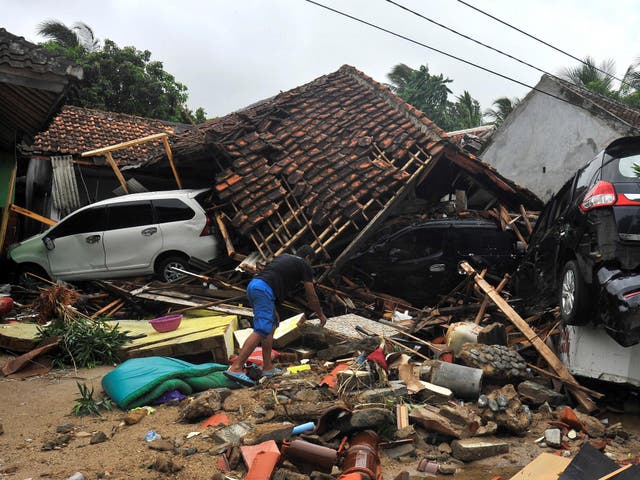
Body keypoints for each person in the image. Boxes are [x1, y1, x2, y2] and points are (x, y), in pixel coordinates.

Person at [224, 245, 328, 386]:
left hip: (254, 286)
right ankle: (236, 367)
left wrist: (273, 310)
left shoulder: (283, 257)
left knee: (271, 324)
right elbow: (311, 295)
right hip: (263, 290)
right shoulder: (304, 265)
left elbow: (270, 275)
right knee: (261, 329)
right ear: (308, 258)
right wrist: (321, 315)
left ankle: (268, 367)